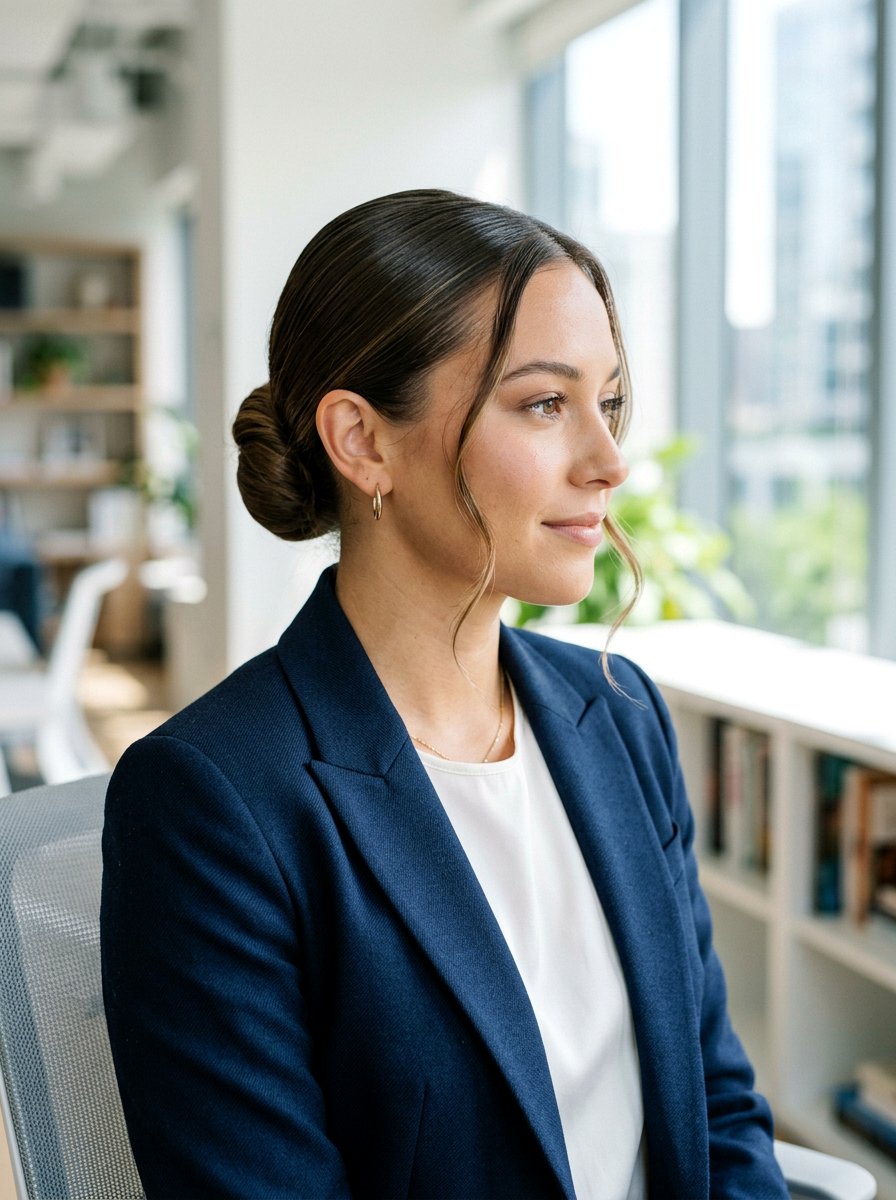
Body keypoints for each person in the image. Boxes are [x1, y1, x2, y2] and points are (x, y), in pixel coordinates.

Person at [100, 189, 789, 1199]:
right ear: (363, 441)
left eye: (607, 402)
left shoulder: (620, 714)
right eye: (544, 403)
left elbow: (715, 1107)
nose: (607, 461)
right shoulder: (212, 801)